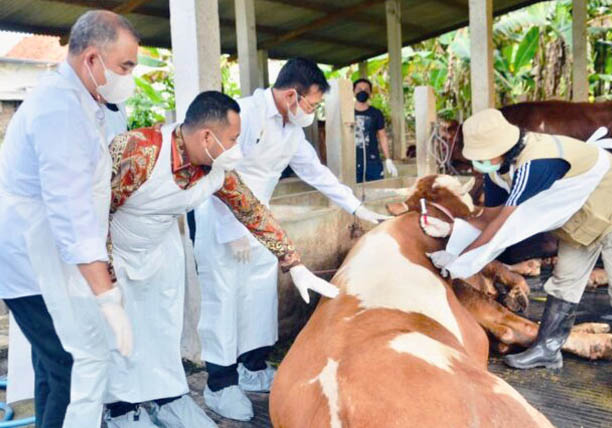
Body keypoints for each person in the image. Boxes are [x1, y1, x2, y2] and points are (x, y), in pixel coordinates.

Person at [103, 91, 337, 426]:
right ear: (207, 136)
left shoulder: (216, 168)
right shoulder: (138, 150)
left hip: (161, 249)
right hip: (116, 249)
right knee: (121, 330)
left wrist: (293, 262)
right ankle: (122, 410)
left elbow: (252, 210)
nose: (237, 148)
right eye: (233, 139)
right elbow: (91, 212)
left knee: (163, 327)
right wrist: (102, 273)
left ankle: (169, 398)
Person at [194, 57, 390, 421]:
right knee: (224, 300)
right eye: (312, 104)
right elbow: (219, 171)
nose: (312, 112)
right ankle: (219, 383)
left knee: (258, 296)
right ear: (290, 95)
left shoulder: (291, 131)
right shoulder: (246, 114)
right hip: (223, 222)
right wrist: (231, 229)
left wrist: (357, 208)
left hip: (261, 222)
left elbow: (316, 173)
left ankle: (251, 367)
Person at [0, 11, 140, 427]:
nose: (129, 76)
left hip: (46, 256)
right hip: (30, 261)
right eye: (125, 66)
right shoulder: (59, 109)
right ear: (91, 59)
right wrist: (107, 297)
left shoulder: (85, 102)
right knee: (72, 363)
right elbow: (70, 210)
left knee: (53, 364)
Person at [429, 108, 612, 401]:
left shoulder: (535, 163)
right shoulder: (498, 171)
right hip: (577, 216)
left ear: (501, 147)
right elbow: (486, 217)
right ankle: (547, 349)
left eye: (482, 155)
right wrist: (450, 230)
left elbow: (501, 227)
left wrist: (457, 261)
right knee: (565, 280)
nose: (476, 163)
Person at [353, 78, 398, 182]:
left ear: (370, 93)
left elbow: (382, 136)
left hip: (372, 160)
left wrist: (388, 159)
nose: (362, 91)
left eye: (366, 89)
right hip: (352, 161)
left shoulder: (376, 113)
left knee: (377, 190)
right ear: (354, 91)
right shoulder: (347, 113)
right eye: (359, 89)